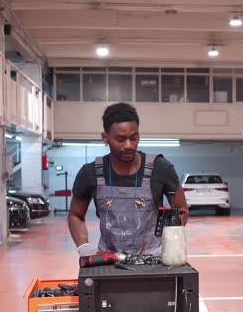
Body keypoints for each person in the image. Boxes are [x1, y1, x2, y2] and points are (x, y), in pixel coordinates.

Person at [68, 102, 188, 257]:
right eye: (120, 139)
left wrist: (169, 242)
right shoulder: (90, 173)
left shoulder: (160, 168)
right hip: (109, 261)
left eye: (134, 137)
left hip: (152, 260)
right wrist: (83, 245)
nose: (129, 145)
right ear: (105, 138)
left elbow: (181, 210)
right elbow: (75, 215)